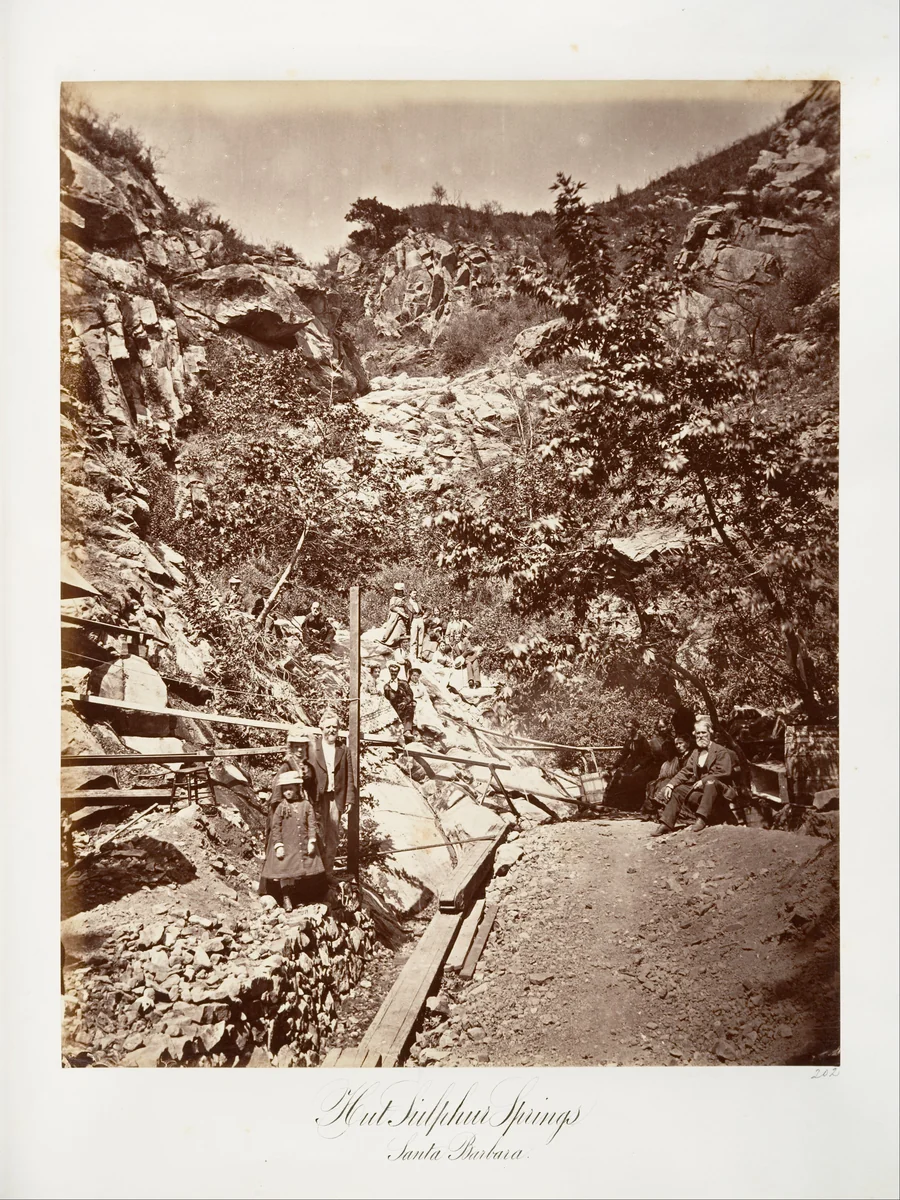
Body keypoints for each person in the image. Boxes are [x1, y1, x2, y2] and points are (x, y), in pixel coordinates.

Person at [652, 721, 737, 836]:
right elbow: (686, 771)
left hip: (719, 791)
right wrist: (670, 785)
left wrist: (703, 781)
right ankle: (666, 823)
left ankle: (701, 819)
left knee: (710, 782)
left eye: (703, 733)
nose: (701, 736)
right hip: (702, 791)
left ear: (710, 733)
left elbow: (723, 772)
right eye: (698, 733)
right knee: (678, 790)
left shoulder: (720, 751)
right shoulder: (696, 753)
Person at [258, 768, 324, 910]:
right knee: (285, 872)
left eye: (290, 789)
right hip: (287, 845)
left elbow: (312, 824)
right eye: (285, 789)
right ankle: (286, 897)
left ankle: (296, 897)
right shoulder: (281, 807)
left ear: (297, 788)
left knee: (298, 872)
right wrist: (278, 845)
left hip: (300, 844)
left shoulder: (306, 805)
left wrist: (312, 840)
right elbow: (275, 827)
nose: (288, 792)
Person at [306, 709, 353, 877]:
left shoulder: (343, 750)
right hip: (317, 798)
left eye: (335, 727)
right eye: (328, 727)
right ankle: (314, 874)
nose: (331, 730)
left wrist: (349, 799)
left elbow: (349, 776)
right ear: (321, 728)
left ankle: (328, 874)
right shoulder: (313, 747)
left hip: (335, 798)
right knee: (316, 834)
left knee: (332, 837)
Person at [641, 734, 692, 822]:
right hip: (671, 780)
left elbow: (682, 774)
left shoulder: (683, 758)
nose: (678, 746)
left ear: (687, 743)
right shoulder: (666, 763)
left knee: (664, 783)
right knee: (652, 784)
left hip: (682, 782)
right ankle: (651, 811)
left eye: (680, 743)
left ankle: (656, 809)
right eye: (677, 744)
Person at [606, 721, 655, 811]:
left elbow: (649, 756)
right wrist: (614, 766)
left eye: (631, 727)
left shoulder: (642, 740)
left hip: (644, 766)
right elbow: (624, 755)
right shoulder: (628, 740)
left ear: (636, 728)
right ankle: (623, 804)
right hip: (632, 765)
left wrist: (639, 765)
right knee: (620, 776)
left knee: (635, 778)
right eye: (627, 727)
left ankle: (636, 805)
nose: (628, 729)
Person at [408, 667, 444, 736]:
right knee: (421, 712)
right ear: (410, 675)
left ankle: (436, 729)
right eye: (414, 675)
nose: (415, 677)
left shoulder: (421, 685)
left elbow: (425, 695)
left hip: (423, 701)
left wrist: (425, 701)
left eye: (417, 676)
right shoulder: (408, 686)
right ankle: (425, 728)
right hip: (415, 702)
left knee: (429, 710)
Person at [384, 663, 415, 737]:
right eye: (392, 671)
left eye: (395, 671)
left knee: (410, 709)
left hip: (405, 705)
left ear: (398, 672)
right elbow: (386, 699)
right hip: (394, 707)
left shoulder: (403, 683)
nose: (393, 673)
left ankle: (407, 731)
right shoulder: (386, 686)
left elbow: (410, 694)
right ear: (389, 672)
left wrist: (405, 702)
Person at [381, 583, 411, 647]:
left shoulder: (404, 598)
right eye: (398, 591)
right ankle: (390, 642)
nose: (399, 592)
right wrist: (401, 613)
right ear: (396, 591)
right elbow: (392, 607)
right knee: (393, 627)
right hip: (395, 615)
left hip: (403, 615)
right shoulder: (393, 598)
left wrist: (406, 613)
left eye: (400, 591)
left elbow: (407, 607)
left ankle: (400, 644)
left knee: (402, 629)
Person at [408, 590, 427, 659]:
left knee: (421, 639)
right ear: (410, 594)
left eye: (416, 593)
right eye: (413, 593)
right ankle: (413, 656)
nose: (415, 595)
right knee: (413, 639)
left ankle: (419, 656)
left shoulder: (419, 603)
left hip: (420, 619)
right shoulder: (407, 603)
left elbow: (428, 609)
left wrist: (425, 616)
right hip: (413, 620)